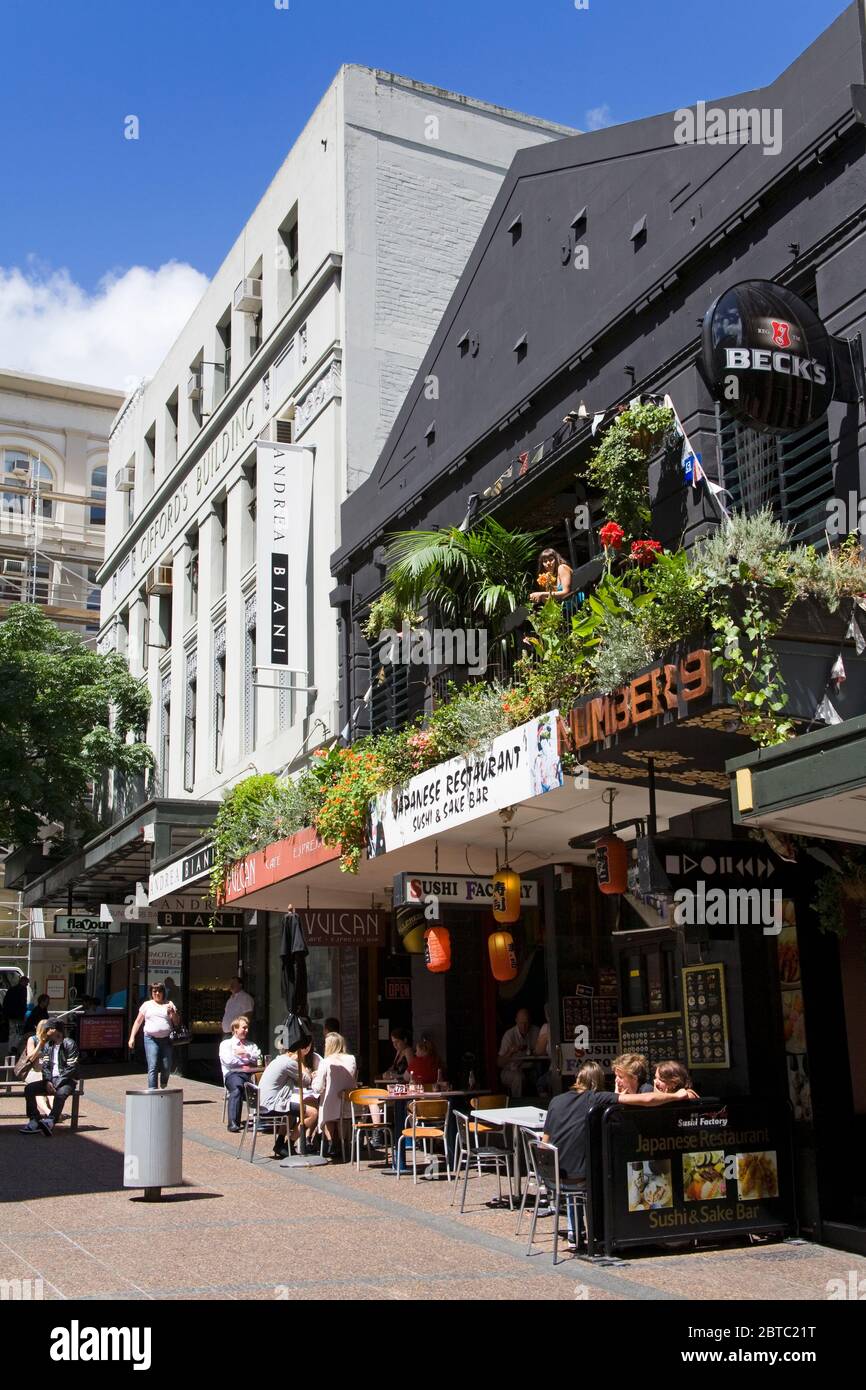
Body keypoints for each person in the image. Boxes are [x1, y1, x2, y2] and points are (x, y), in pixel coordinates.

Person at [542, 1060, 698, 1246]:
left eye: (620, 1076)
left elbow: (544, 1143)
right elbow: (645, 1100)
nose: (617, 1080)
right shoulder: (595, 1098)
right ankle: (607, 1233)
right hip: (579, 1177)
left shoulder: (556, 1100)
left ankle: (575, 1232)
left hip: (553, 1178)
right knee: (604, 1174)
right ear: (597, 1084)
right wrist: (678, 1095)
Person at [258, 1039, 322, 1156]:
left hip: (263, 1103)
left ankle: (280, 1143)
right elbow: (306, 1082)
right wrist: (301, 1063)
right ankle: (289, 1145)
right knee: (313, 1113)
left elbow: (298, 1082)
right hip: (272, 1105)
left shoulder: (279, 1059)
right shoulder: (289, 1063)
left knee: (291, 1110)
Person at [20, 1019, 79, 1136]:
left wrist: (56, 1083)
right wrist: (47, 1081)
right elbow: (46, 1066)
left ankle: (51, 1120)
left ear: (55, 1030)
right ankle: (34, 1119)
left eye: (48, 1029)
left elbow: (71, 1067)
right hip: (51, 1081)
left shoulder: (69, 1043)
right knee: (29, 1089)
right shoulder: (48, 1045)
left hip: (66, 1080)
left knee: (60, 1094)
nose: (45, 1031)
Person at [128, 982, 179, 1091]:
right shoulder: (147, 1005)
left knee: (167, 1066)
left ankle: (164, 1082)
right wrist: (132, 1037)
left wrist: (172, 1013)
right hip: (150, 1039)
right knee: (153, 1065)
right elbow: (138, 1021)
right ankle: (153, 1090)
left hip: (166, 1039)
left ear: (163, 992)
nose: (157, 993)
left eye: (159, 991)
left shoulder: (169, 1004)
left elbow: (176, 1022)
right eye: (154, 991)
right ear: (151, 993)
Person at [315, 1032, 357, 1156]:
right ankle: (342, 1142)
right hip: (349, 1102)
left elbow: (317, 1088)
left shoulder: (326, 1061)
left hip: (331, 1104)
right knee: (338, 1113)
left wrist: (314, 1078)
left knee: (325, 1106)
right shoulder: (351, 1058)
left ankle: (331, 1141)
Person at [219, 1016, 263, 1132]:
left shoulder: (251, 1045)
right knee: (237, 1088)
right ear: (235, 1029)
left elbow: (258, 1058)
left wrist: (244, 1054)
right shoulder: (226, 1044)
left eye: (247, 1028)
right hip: (233, 1074)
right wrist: (248, 1058)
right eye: (244, 1028)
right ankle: (233, 1123)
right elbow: (229, 1061)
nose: (247, 1030)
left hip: (251, 1074)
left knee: (266, 1085)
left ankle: (264, 1120)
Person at [498, 1008, 540, 1099]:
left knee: (541, 1075)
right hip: (510, 1070)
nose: (524, 1026)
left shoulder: (536, 1031)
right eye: (521, 1023)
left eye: (526, 1023)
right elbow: (499, 1063)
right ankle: (518, 1104)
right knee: (518, 1077)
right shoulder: (509, 1035)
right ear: (516, 1021)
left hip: (530, 1069)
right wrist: (511, 1051)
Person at [16, 1019, 52, 1117]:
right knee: (37, 1088)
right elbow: (30, 1057)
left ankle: (54, 1111)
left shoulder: (52, 1041)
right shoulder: (32, 1039)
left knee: (52, 1087)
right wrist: (40, 1044)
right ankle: (47, 1111)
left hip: (46, 1072)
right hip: (32, 1072)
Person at [3, 975, 30, 1052]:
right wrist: (23, 1013)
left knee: (12, 1032)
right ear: (23, 982)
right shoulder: (23, 990)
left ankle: (10, 1048)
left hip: (10, 1015)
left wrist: (6, 1014)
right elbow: (23, 1003)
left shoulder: (11, 989)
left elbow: (5, 1002)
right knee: (19, 1032)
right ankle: (14, 1047)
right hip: (18, 1015)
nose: (27, 985)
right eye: (26, 983)